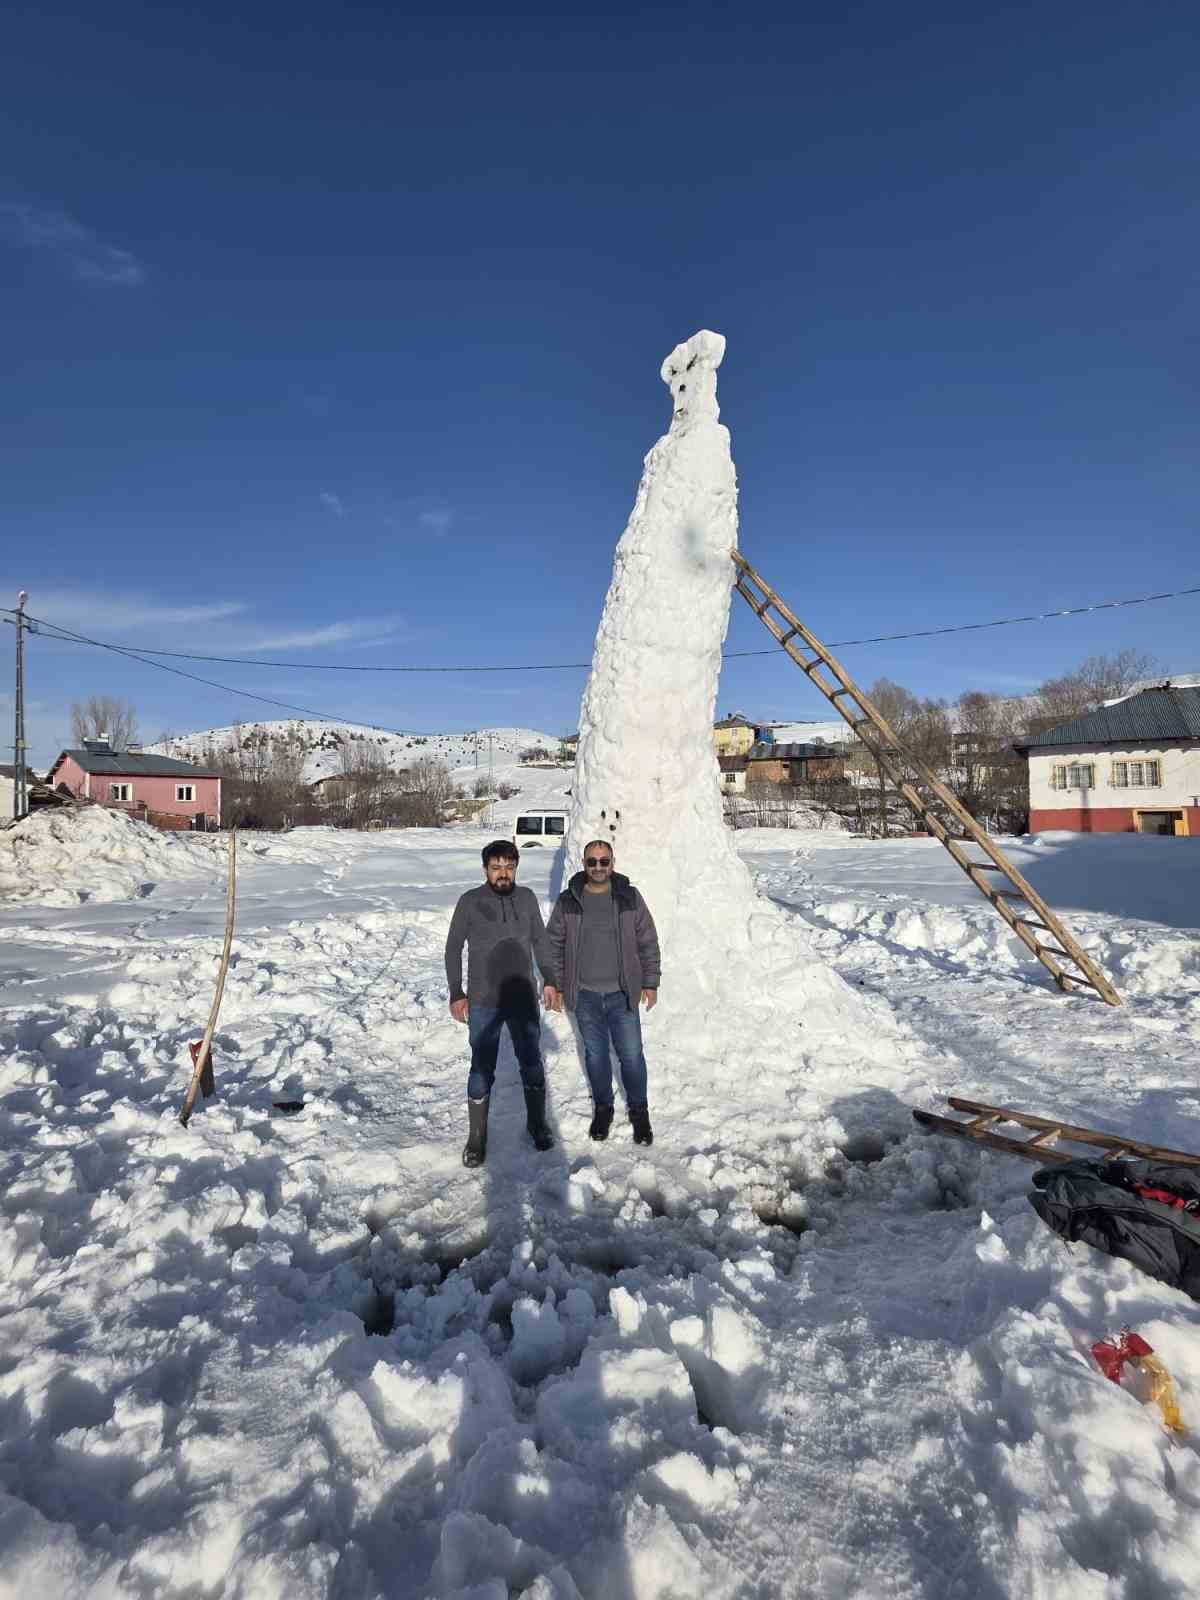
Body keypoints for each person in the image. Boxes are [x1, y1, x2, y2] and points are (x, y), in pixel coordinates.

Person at [445, 839, 557, 1168]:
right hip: (483, 999)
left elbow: (540, 940)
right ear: (485, 870)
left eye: (509, 867)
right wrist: (456, 992)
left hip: (522, 998)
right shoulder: (470, 902)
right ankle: (477, 1138)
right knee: (481, 1068)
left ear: (516, 867)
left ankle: (537, 1124)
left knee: (531, 1061)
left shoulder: (526, 898)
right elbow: (453, 948)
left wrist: (549, 978)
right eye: (496, 868)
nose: (503, 874)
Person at [544, 841, 660, 1146]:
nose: (598, 867)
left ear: (612, 863)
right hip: (584, 996)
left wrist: (650, 982)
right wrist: (554, 984)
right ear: (584, 863)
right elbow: (552, 946)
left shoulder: (629, 898)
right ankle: (603, 1107)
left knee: (631, 1055)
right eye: (592, 862)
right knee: (595, 1055)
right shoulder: (568, 901)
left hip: (622, 994)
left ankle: (639, 1110)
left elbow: (648, 941)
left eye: (603, 861)